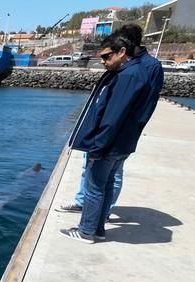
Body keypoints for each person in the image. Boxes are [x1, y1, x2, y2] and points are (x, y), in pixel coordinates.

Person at [59, 31, 159, 243]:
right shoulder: (135, 72)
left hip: (110, 145)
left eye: (106, 57)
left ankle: (86, 231)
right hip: (121, 143)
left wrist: (98, 147)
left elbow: (113, 117)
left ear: (122, 52)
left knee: (94, 187)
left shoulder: (127, 76)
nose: (103, 61)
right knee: (105, 185)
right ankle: (98, 229)